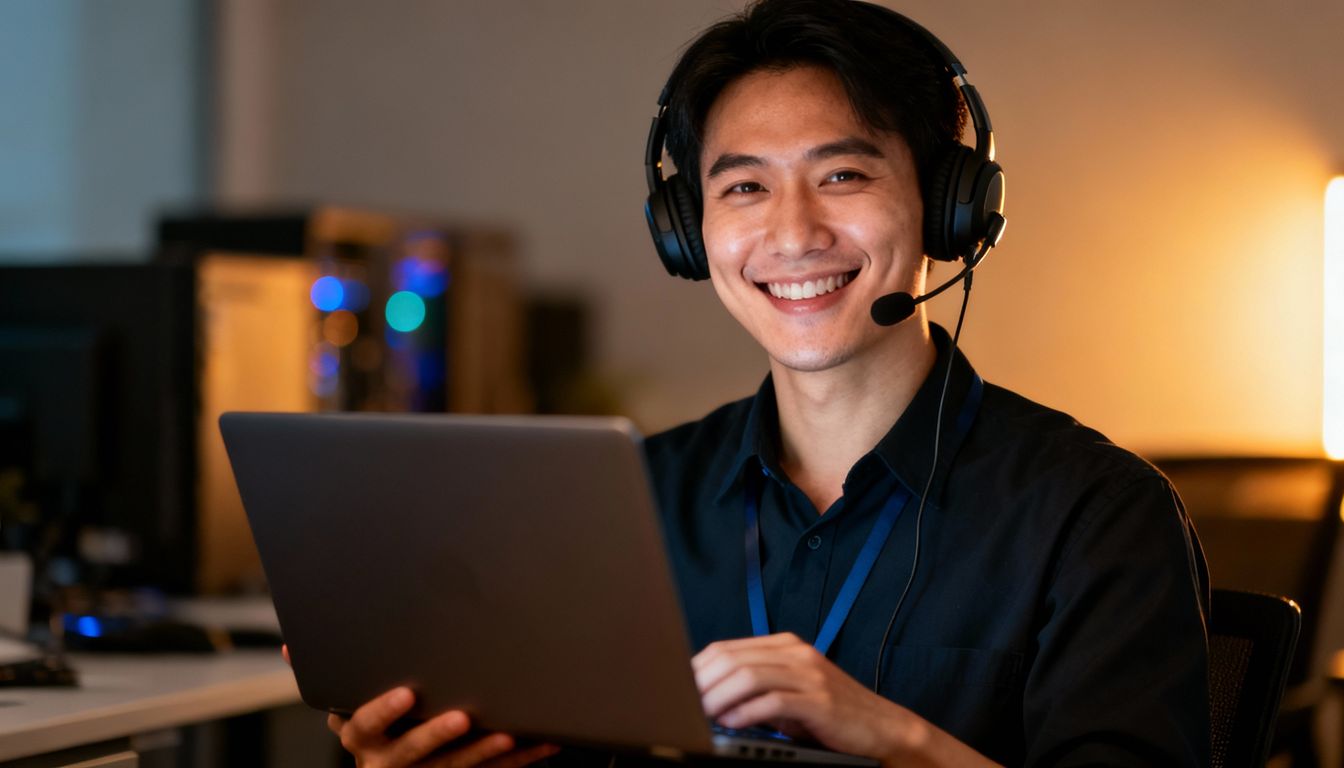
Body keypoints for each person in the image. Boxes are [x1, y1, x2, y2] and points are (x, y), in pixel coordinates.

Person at [323, 1, 1211, 766]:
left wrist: (892, 738)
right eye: (744, 187)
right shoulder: (623, 503)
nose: (792, 235)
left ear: (950, 205)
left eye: (843, 175)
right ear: (687, 232)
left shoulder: (1097, 514)